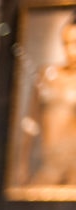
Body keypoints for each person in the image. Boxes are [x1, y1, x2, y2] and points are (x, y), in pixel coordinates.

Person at [24, 11, 76, 186]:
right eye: (66, 43)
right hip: (49, 165)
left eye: (75, 43)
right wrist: (21, 166)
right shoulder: (48, 75)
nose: (70, 50)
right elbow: (30, 123)